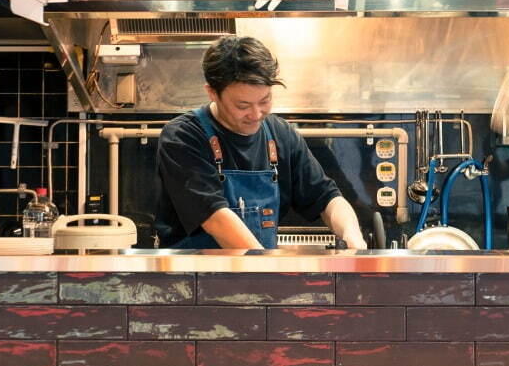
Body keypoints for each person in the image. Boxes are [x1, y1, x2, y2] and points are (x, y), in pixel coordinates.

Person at [154, 36, 367, 249]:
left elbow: (326, 197)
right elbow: (216, 219)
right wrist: (265, 272)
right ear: (212, 93)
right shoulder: (183, 136)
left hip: (257, 272)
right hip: (194, 277)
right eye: (242, 105)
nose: (256, 114)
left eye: (264, 101)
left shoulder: (280, 133)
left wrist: (352, 235)